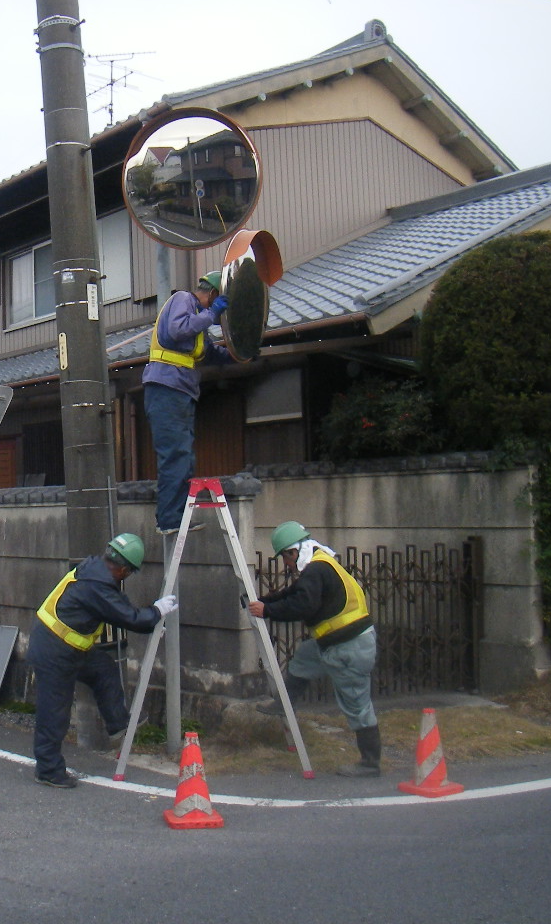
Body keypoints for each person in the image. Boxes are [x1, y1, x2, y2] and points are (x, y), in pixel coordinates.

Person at [27, 533, 179, 788]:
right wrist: (155, 613)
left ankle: (118, 722)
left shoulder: (95, 571)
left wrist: (150, 620)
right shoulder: (97, 585)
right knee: (54, 711)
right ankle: (48, 770)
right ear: (122, 568)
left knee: (103, 669)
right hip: (54, 651)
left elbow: (121, 608)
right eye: (129, 572)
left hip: (67, 647)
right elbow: (128, 616)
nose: (127, 577)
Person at [247, 521, 381, 777]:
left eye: (285, 558)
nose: (286, 565)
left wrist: (268, 611)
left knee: (356, 704)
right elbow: (293, 593)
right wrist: (264, 602)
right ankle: (285, 703)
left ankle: (370, 762)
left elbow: (302, 605)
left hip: (349, 647)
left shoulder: (316, 570)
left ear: (292, 552)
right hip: (338, 643)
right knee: (304, 658)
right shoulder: (321, 565)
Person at [142, 271, 233, 535]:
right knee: (175, 455)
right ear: (213, 294)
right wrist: (210, 314)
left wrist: (237, 355)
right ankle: (169, 519)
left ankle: (176, 516)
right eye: (217, 304)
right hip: (165, 388)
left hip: (180, 391)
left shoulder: (199, 325)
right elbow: (177, 329)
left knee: (184, 457)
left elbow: (210, 352)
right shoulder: (183, 299)